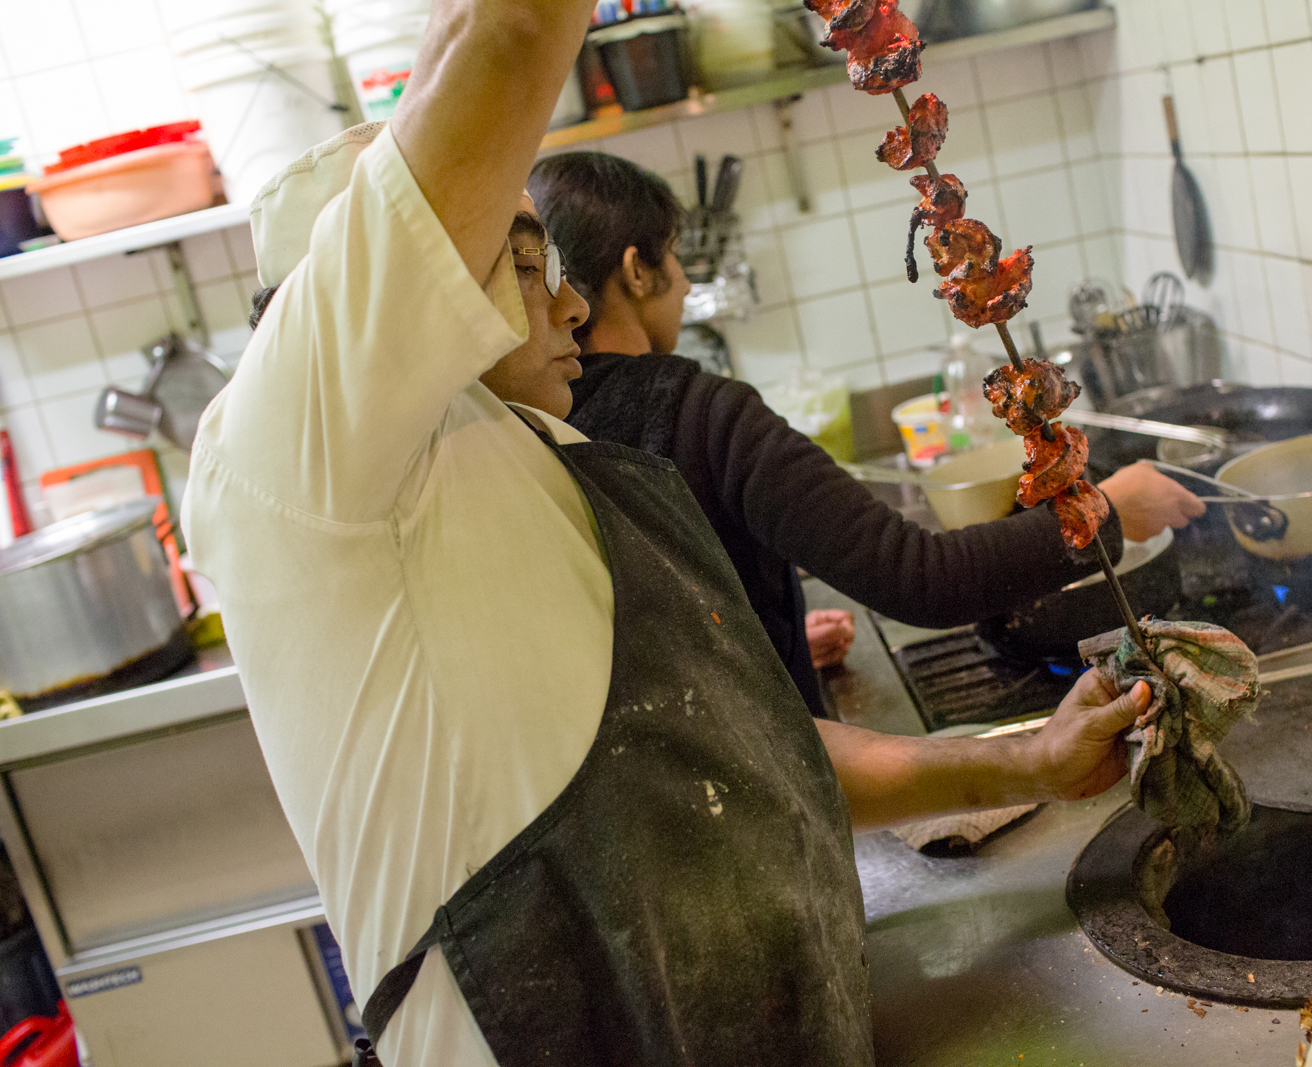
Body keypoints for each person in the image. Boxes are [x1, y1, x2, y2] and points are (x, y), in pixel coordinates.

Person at [189, 3, 1151, 1063]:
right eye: (521, 264)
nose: (564, 309)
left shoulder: (539, 460)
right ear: (374, 301)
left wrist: (1028, 760)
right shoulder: (300, 447)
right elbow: (502, 35)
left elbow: (741, 755)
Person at [530, 150, 1206, 715]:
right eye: (675, 259)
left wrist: (775, 635)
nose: (682, 287)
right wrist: (1109, 510)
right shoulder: (703, 415)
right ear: (635, 269)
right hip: (770, 796)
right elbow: (919, 576)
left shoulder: (525, 426)